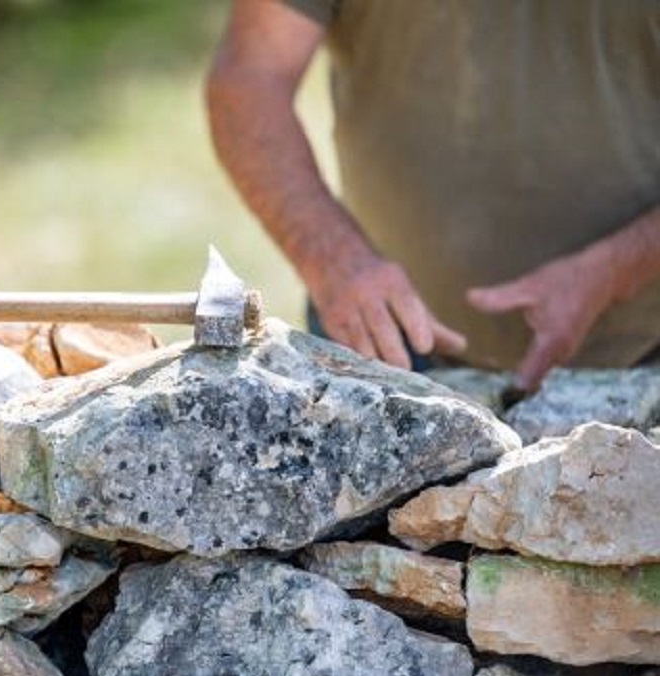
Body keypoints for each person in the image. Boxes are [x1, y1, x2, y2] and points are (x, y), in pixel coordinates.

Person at [206, 0, 660, 389]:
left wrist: (616, 269)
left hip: (645, 354)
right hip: (385, 352)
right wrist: (336, 261)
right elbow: (249, 79)